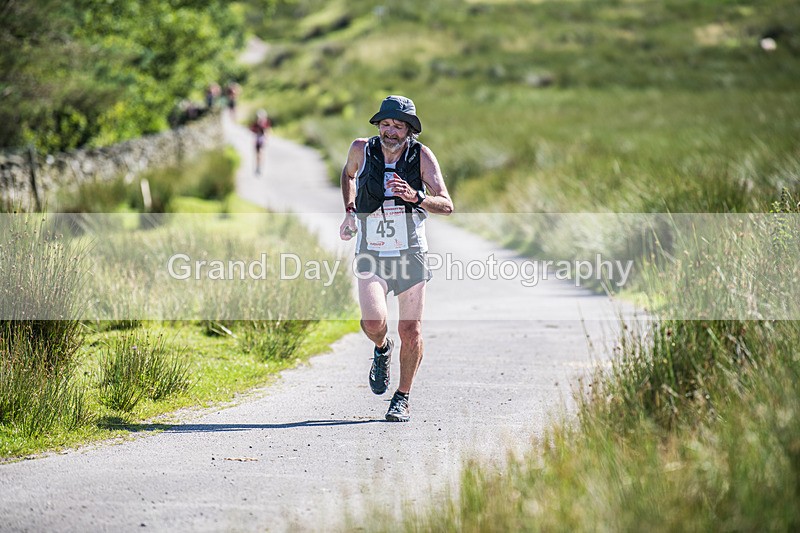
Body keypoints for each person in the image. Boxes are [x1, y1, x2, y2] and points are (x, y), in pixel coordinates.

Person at [339, 95, 454, 422]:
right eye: (385, 124)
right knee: (374, 322)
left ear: (409, 130)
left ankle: (401, 397)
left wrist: (416, 196)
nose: (390, 131)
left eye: (398, 126)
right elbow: (347, 176)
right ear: (378, 125)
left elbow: (446, 203)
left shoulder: (421, 156)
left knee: (411, 330)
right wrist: (349, 213)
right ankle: (381, 349)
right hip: (371, 250)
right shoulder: (362, 149)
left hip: (410, 252)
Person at [249, 109, 272, 175]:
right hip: (257, 140)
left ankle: (260, 167)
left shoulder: (265, 123)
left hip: (261, 140)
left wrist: (266, 138)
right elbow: (252, 129)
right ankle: (258, 166)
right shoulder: (256, 123)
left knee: (260, 153)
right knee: (257, 154)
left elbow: (267, 131)